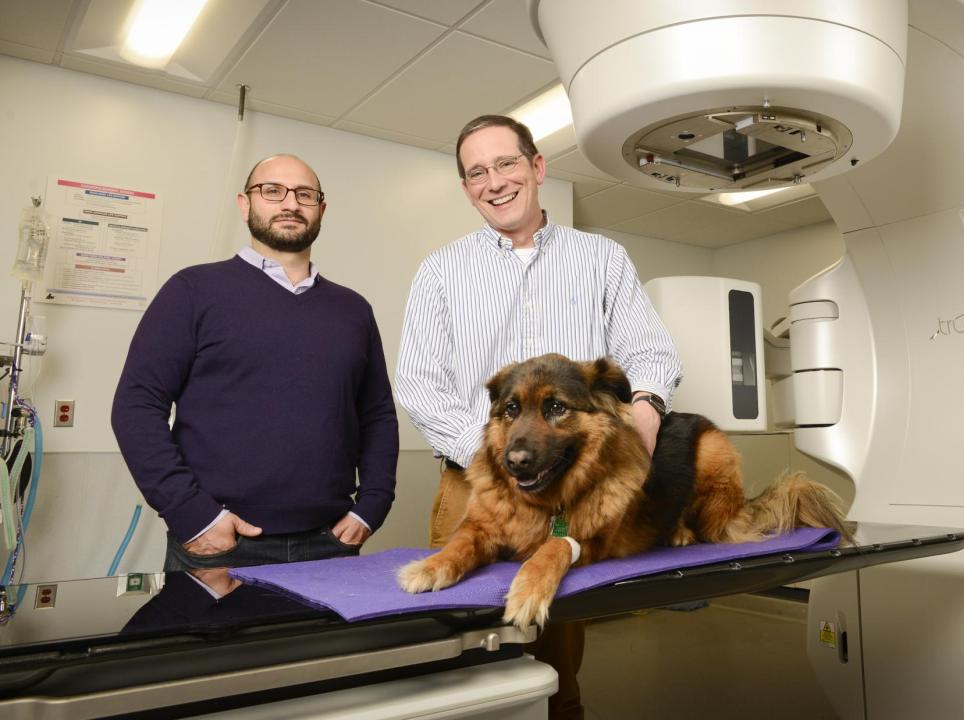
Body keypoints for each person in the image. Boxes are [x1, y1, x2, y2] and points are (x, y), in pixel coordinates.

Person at [395, 115, 681, 720]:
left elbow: (651, 353)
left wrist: (647, 410)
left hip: (576, 489)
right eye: (476, 173)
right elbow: (418, 383)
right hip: (471, 487)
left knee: (553, 661)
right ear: (466, 187)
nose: (493, 182)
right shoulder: (441, 272)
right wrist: (497, 457)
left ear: (537, 167)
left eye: (505, 164)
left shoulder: (602, 259)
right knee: (458, 654)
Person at [112, 154, 398, 572]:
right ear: (245, 204)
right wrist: (194, 516)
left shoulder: (353, 309)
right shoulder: (192, 290)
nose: (290, 204)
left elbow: (377, 416)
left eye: (305, 194)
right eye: (272, 191)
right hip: (221, 544)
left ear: (321, 209)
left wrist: (371, 506)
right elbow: (136, 407)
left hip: (330, 544)